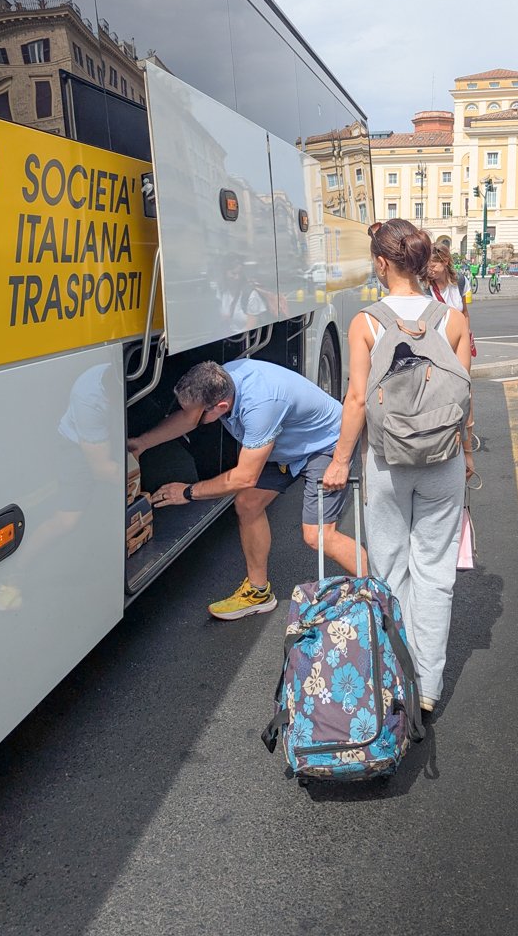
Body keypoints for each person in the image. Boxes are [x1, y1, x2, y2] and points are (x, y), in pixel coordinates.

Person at [322, 218, 474, 716]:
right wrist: (468, 452)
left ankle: (395, 674)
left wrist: (341, 462)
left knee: (390, 570)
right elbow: (465, 394)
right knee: (435, 573)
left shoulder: (365, 322)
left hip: (386, 464)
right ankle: (428, 686)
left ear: (382, 264)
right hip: (444, 458)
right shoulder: (452, 320)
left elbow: (357, 398)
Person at [127, 359, 363, 620]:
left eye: (195, 414)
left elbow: (244, 477)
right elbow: (188, 419)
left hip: (325, 444)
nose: (188, 416)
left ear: (221, 407)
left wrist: (186, 493)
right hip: (282, 443)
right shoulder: (220, 382)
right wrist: (143, 443)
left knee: (318, 535)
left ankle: (380, 594)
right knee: (247, 505)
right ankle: (258, 593)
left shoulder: (260, 406)